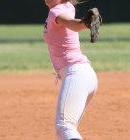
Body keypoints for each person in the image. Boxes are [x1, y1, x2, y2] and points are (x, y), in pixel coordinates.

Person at [43, 0, 98, 140]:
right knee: (69, 129)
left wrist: (85, 23)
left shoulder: (56, 11)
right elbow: (73, 21)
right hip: (86, 75)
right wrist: (85, 21)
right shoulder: (67, 7)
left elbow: (72, 24)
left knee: (64, 126)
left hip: (76, 74)